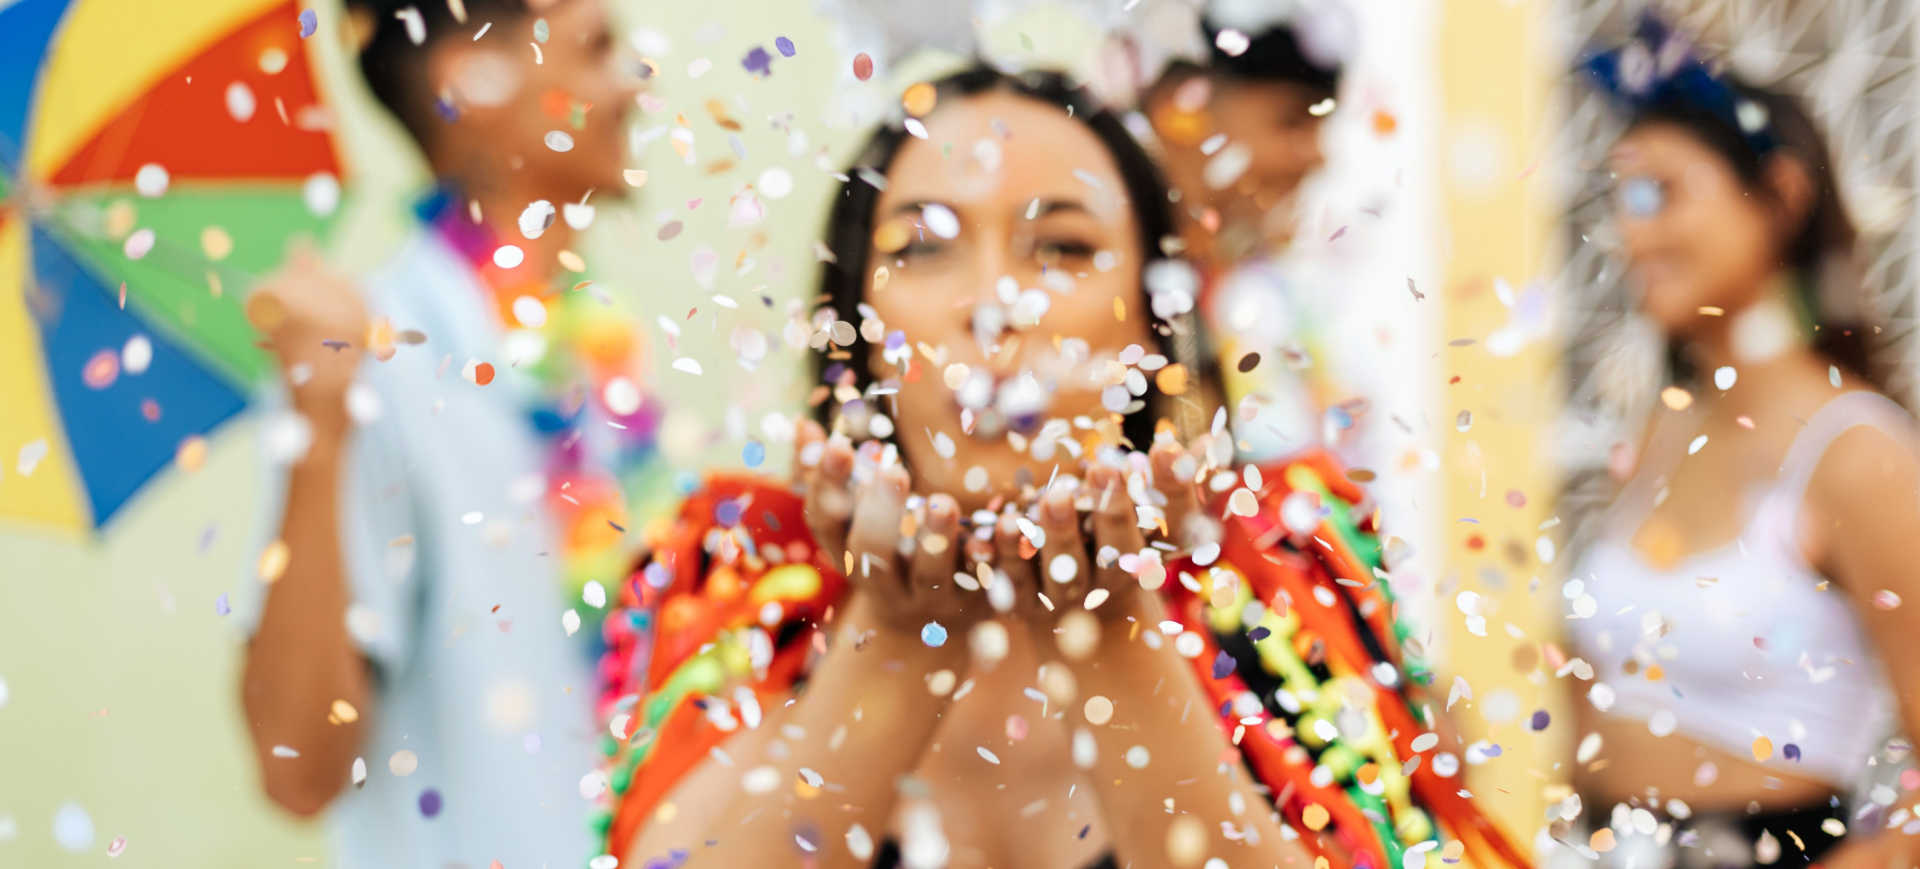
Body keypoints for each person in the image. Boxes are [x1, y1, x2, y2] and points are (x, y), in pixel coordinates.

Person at [587, 67, 1526, 869]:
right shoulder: (742, 574)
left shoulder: (1285, 573)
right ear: (856, 334)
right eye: (924, 245)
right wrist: (901, 635)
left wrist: (1110, 629)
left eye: (1063, 248)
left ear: (1150, 330)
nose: (993, 303)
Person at [236, 0, 648, 865]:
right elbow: (295, 770)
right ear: (472, 79)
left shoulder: (602, 356)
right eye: (599, 48)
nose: (634, 83)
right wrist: (320, 426)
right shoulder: (368, 363)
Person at [1560, 15, 1920, 868]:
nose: (1631, 233)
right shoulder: (1665, 424)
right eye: (1622, 200)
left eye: (1662, 194)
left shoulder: (1858, 454)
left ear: (1781, 195)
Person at [1120, 1, 1371, 464]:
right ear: (1183, 109)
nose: (1318, 157)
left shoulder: (1271, 295)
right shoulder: (1110, 298)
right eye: (1292, 121)